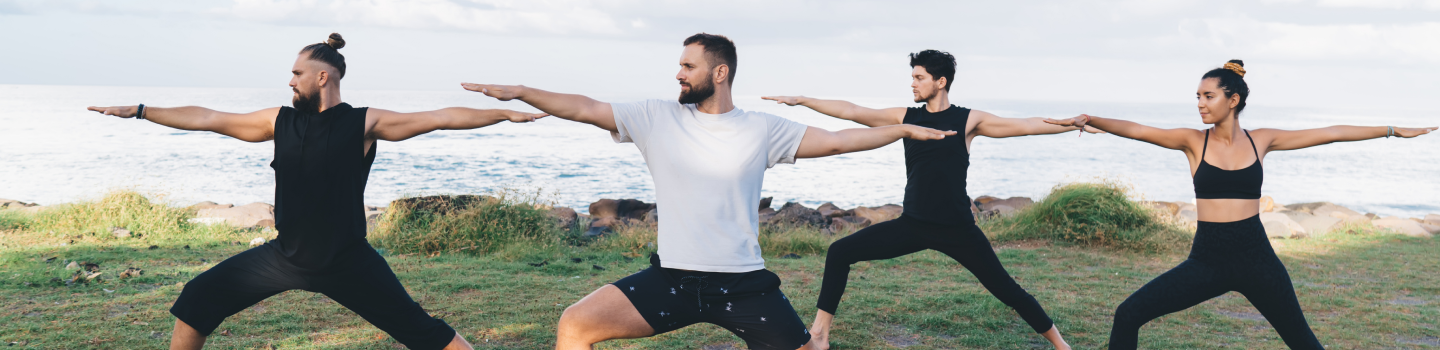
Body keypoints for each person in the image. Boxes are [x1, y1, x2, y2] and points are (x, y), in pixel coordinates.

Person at [462, 33, 956, 350]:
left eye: (688, 66)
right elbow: (585, 107)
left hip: (743, 285)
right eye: (679, 65)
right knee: (575, 324)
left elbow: (838, 140)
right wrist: (521, 91)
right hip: (672, 279)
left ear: (719, 73)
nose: (678, 74)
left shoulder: (762, 128)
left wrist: (901, 130)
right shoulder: (655, 117)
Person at [87, 33, 546, 350]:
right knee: (197, 299)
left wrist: (503, 114)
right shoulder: (279, 121)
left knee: (423, 333)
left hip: (348, 261)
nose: (290, 81)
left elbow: (439, 118)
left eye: (296, 73)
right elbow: (208, 118)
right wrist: (142, 110)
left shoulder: (364, 123)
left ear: (322, 77)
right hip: (284, 257)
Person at [1044, 59, 1436, 349]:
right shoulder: (1192, 141)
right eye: (1198, 97)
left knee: (1304, 342)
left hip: (1257, 259)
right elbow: (1139, 130)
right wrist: (1091, 118)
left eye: (1208, 96)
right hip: (1206, 260)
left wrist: (1391, 130)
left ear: (1232, 100)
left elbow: (1329, 133)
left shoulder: (1261, 140)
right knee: (1128, 314)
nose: (1200, 104)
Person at [762, 49, 1092, 350]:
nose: (913, 83)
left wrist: (1069, 124)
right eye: (913, 77)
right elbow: (853, 111)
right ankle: (819, 335)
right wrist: (802, 100)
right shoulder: (907, 117)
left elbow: (1026, 125)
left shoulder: (968, 120)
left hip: (958, 230)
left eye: (919, 77)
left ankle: (1061, 345)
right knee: (839, 252)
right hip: (913, 225)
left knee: (1008, 291)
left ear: (940, 81)